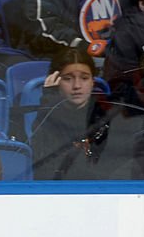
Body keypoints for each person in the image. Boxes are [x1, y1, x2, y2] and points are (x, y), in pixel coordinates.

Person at [30, 47, 132, 179]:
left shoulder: (106, 114)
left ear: (92, 82)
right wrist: (50, 100)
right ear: (56, 81)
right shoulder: (46, 116)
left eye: (84, 78)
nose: (77, 85)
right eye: (68, 79)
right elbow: (46, 168)